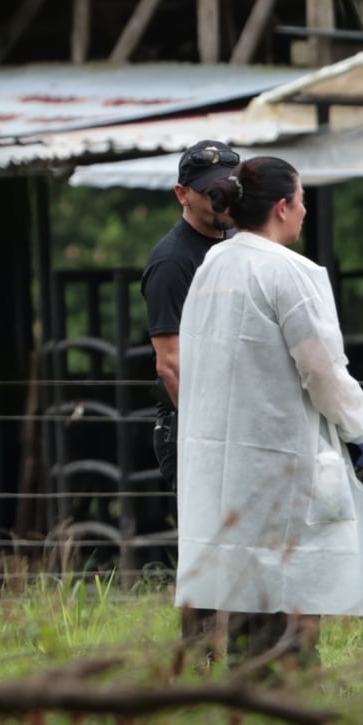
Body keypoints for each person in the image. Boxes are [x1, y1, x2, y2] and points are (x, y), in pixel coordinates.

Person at [176, 156, 363, 665]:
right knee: (288, 592)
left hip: (220, 463)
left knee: (244, 587)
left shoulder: (213, 266)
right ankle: (285, 693)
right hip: (279, 456)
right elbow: (322, 370)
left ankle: (250, 699)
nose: (306, 211)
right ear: (284, 206)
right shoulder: (290, 272)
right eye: (303, 200)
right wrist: (359, 428)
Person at [141, 139, 238, 502]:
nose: (223, 199)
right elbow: (170, 364)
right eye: (211, 191)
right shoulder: (172, 262)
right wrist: (208, 434)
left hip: (235, 417)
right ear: (183, 194)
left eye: (231, 188)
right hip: (195, 424)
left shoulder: (236, 243)